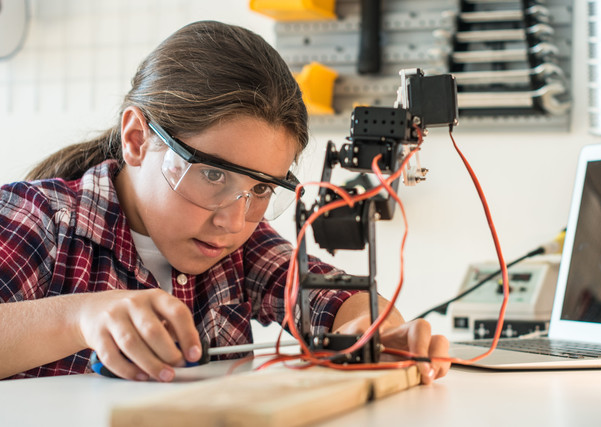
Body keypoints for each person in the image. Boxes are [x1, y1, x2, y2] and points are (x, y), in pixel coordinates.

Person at [0, 20, 449, 383]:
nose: (233, 221)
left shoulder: (241, 247)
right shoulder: (39, 220)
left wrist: (375, 331)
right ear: (137, 139)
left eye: (259, 190)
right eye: (213, 175)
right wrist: (80, 317)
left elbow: (333, 295)